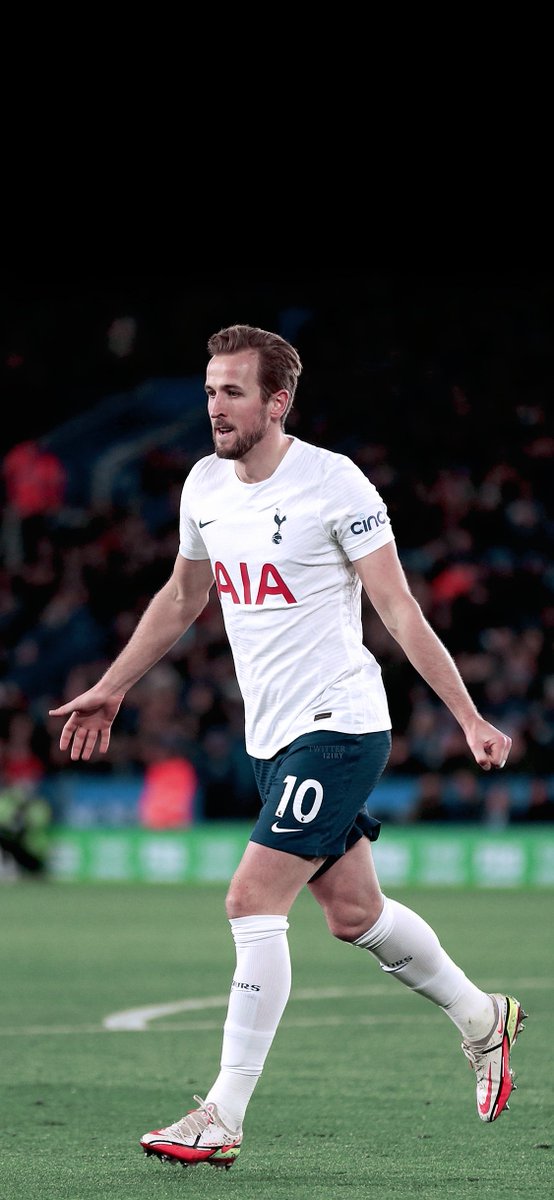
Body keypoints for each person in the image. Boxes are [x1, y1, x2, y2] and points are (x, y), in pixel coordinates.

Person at [49, 324, 526, 1172]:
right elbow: (183, 595)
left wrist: (468, 716)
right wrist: (114, 685)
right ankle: (483, 1018)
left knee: (250, 900)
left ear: (277, 402)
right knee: (355, 916)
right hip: (271, 736)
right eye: (209, 390)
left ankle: (221, 1114)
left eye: (233, 392)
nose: (215, 407)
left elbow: (398, 608)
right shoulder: (204, 484)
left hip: (339, 724)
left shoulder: (334, 484)